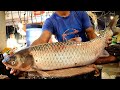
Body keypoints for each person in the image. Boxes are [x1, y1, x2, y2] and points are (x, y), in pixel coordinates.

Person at [5, 11, 117, 76]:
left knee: (111, 58)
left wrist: (101, 42)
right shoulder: (50, 21)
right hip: (65, 55)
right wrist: (20, 61)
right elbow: (42, 40)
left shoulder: (81, 13)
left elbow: (92, 35)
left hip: (86, 51)